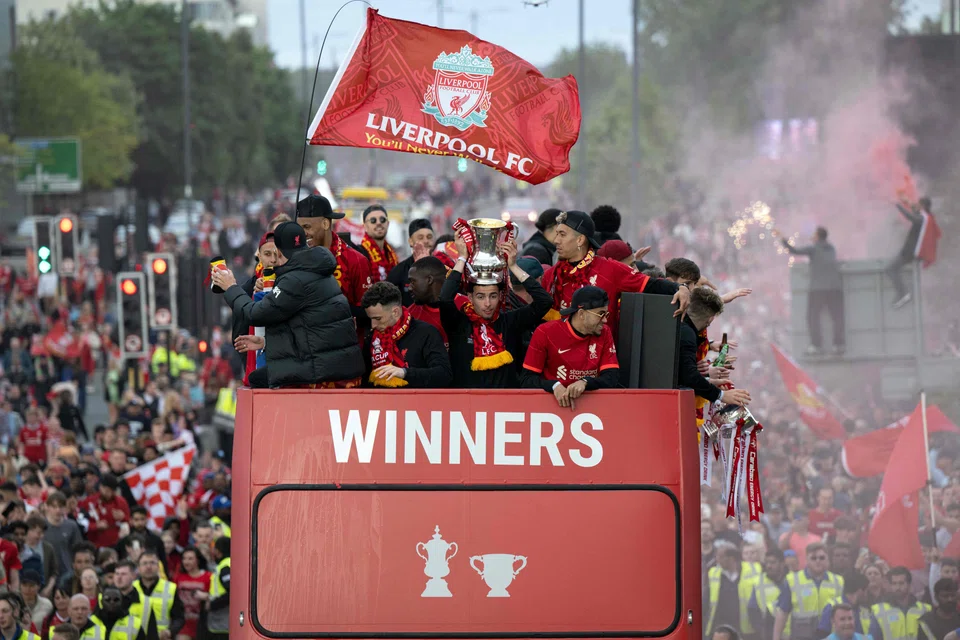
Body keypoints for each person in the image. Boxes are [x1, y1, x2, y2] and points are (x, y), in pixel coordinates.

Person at [214, 221, 364, 389]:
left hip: (322, 367)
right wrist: (266, 342)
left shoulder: (294, 280)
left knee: (256, 379)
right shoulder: (316, 269)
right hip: (333, 360)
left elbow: (255, 314)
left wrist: (231, 287)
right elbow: (310, 331)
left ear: (278, 252)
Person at [540, 210, 689, 340]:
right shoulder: (550, 276)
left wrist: (681, 288)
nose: (556, 240)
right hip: (558, 365)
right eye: (556, 234)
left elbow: (651, 284)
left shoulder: (610, 269)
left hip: (600, 362)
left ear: (580, 239)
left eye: (562, 234)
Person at [440, 235, 552, 389]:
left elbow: (544, 302)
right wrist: (462, 258)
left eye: (493, 296)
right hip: (466, 408)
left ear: (500, 296)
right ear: (470, 298)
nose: (487, 304)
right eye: (480, 297)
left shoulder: (510, 321)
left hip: (504, 408)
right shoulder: (459, 323)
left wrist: (513, 267)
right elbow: (445, 298)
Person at [522, 286, 620, 407]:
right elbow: (527, 379)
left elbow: (612, 378)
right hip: (550, 405)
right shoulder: (545, 332)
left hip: (591, 405)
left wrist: (585, 382)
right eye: (600, 314)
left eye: (606, 314)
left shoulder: (604, 332)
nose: (605, 320)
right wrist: (554, 386)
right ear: (581, 313)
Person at [361, 282, 451, 388]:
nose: (373, 325)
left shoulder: (426, 333)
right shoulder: (372, 339)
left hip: (417, 402)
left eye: (378, 318)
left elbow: (444, 375)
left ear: (395, 312)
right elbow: (365, 382)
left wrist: (404, 373)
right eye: (370, 319)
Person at [294, 194, 372, 312]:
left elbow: (368, 310)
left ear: (325, 224)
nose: (302, 233)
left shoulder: (356, 261)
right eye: (299, 228)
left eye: (307, 227)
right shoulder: (294, 258)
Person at [678, 286, 752, 407]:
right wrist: (721, 395)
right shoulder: (687, 335)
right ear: (710, 319)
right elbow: (689, 376)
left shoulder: (682, 324)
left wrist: (708, 378)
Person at [777, 226, 844, 355]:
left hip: (818, 289)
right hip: (835, 288)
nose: (812, 237)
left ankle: (816, 345)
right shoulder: (831, 249)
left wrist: (783, 239)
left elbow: (794, 251)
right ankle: (838, 344)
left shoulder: (814, 248)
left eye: (814, 235)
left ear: (818, 236)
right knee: (836, 317)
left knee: (812, 317)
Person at [773, 542, 844, 640]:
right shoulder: (792, 580)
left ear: (828, 559)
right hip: (801, 635)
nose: (818, 561)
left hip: (830, 636)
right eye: (813, 558)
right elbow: (782, 613)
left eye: (822, 558)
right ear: (806, 560)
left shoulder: (838, 581)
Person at [886, 196, 935, 309]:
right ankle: (903, 293)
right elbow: (915, 210)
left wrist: (898, 205)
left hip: (910, 253)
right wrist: (907, 201)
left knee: (890, 269)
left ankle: (903, 293)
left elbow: (910, 216)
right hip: (910, 252)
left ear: (923, 206)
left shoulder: (921, 219)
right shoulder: (926, 217)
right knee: (892, 267)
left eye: (919, 204)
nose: (916, 206)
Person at [704, 545, 760, 640]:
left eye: (721, 557)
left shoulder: (752, 570)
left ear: (731, 558)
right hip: (719, 624)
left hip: (744, 625)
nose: (717, 560)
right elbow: (706, 600)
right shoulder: (713, 572)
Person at [134, 551, 183, 640]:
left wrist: (170, 632)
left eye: (152, 563)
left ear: (158, 566)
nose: (148, 567)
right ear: (138, 568)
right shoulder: (132, 589)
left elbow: (179, 618)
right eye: (144, 563)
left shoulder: (170, 588)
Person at [818, 573, 882, 640]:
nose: (867, 595)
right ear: (860, 591)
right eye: (866, 591)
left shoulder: (865, 609)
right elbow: (822, 634)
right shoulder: (831, 606)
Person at [387, 219, 436, 307]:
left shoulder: (444, 267)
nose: (426, 241)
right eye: (420, 238)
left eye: (429, 237)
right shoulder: (399, 271)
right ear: (410, 241)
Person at [406, 257, 448, 348]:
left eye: (413, 281)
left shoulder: (465, 307)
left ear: (429, 280)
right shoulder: (410, 316)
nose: (409, 288)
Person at [748, 548, 789, 640]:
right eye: (767, 562)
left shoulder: (792, 580)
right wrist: (761, 631)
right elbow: (752, 610)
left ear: (782, 563)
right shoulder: (759, 582)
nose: (769, 566)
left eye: (773, 562)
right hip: (768, 633)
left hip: (792, 633)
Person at [173, 548, 210, 640]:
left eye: (190, 559)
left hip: (203, 622)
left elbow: (214, 597)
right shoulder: (178, 577)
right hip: (184, 622)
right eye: (184, 559)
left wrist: (206, 597)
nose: (186, 562)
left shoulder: (208, 577)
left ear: (197, 560)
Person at [358, 205, 398, 283]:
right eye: (373, 220)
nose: (379, 223)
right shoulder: (359, 254)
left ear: (388, 224)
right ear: (365, 226)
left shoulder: (392, 254)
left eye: (382, 219)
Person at [205, 538, 230, 637]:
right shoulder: (229, 564)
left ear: (218, 551)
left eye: (214, 548)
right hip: (221, 622)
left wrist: (212, 604)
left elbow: (232, 593)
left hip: (223, 622)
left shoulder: (225, 568)